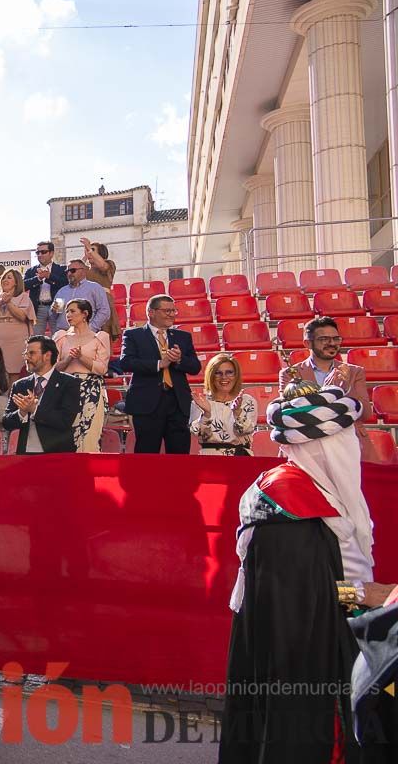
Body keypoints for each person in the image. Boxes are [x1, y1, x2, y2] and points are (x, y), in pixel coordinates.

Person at [220, 380, 393, 762]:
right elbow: (306, 600)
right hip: (298, 665)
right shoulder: (287, 507)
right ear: (327, 445)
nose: (357, 447)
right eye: (347, 438)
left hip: (317, 642)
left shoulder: (320, 491)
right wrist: (367, 595)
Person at [282, 316, 380, 463]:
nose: (332, 343)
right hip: (307, 446)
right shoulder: (290, 374)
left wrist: (345, 389)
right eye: (324, 339)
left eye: (336, 339)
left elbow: (365, 414)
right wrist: (326, 393)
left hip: (348, 445)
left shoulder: (355, 372)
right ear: (308, 343)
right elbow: (288, 414)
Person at [118, 295, 201, 454]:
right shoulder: (134, 335)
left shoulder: (183, 337)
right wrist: (158, 364)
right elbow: (126, 362)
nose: (172, 314)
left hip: (177, 403)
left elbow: (195, 367)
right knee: (147, 455)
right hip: (147, 404)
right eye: (167, 310)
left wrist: (179, 359)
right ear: (151, 312)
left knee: (179, 455)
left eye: (173, 310)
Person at [3, 336, 83, 455]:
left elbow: (65, 420)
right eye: (26, 353)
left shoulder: (69, 383)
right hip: (25, 454)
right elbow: (6, 422)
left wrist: (34, 410)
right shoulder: (19, 385)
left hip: (57, 454)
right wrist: (22, 413)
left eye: (32, 353)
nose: (27, 357)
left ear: (47, 355)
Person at [53, 298, 111, 452]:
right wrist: (68, 359)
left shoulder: (100, 337)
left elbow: (102, 369)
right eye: (66, 311)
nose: (68, 315)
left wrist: (81, 357)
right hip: (66, 388)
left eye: (72, 311)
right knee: (67, 436)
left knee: (90, 436)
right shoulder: (61, 337)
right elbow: (53, 368)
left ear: (84, 314)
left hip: (92, 389)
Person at [190, 353, 257, 456]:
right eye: (218, 373)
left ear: (236, 375)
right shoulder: (200, 402)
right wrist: (206, 414)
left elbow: (245, 431)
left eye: (229, 372)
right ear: (211, 376)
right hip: (209, 458)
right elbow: (200, 434)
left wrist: (237, 413)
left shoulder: (247, 401)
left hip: (241, 458)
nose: (224, 377)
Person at [0, 267, 33, 383]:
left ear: (16, 282)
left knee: (15, 374)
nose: (5, 280)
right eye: (4, 277)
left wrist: (9, 302)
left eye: (9, 277)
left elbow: (22, 316)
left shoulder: (24, 297)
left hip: (17, 342)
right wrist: (0, 302)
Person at [50, 259, 111, 334]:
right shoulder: (62, 291)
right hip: (64, 335)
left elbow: (104, 311)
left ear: (83, 271)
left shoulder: (94, 288)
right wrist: (53, 311)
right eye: (67, 271)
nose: (69, 273)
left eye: (72, 270)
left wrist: (91, 328)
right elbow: (55, 314)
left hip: (85, 335)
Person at [79, 237, 122, 341]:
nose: (89, 252)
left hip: (103, 302)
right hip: (87, 303)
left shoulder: (109, 264)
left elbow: (102, 265)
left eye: (93, 250)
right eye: (88, 250)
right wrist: (85, 257)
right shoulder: (85, 269)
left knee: (104, 335)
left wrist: (88, 248)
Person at [24, 242, 68, 336]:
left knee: (58, 335)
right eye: (38, 252)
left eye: (43, 252)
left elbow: (65, 285)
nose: (40, 255)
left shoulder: (61, 269)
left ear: (51, 253)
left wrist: (49, 276)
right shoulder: (31, 271)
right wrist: (38, 278)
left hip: (58, 303)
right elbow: (23, 286)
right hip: (38, 306)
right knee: (36, 337)